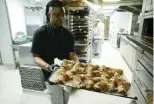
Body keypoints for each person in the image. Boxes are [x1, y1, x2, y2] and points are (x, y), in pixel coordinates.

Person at [31, 0, 78, 104]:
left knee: (65, 100)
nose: (62, 18)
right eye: (57, 15)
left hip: (67, 76)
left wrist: (76, 64)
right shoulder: (40, 34)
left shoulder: (68, 34)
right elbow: (35, 57)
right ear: (49, 15)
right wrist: (49, 67)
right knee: (57, 101)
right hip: (50, 76)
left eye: (63, 15)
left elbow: (72, 54)